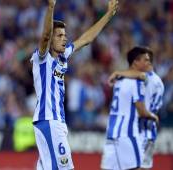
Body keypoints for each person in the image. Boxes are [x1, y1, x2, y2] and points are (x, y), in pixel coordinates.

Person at [31, 0, 118, 169]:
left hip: (55, 122)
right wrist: (51, 7)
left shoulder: (63, 57)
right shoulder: (42, 59)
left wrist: (108, 15)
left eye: (65, 35)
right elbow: (45, 36)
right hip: (49, 120)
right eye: (60, 36)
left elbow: (86, 38)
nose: (64, 39)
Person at [100, 47, 159, 170]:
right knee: (139, 168)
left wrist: (117, 72)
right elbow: (142, 111)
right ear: (136, 62)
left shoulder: (119, 80)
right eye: (145, 60)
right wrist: (153, 116)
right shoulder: (137, 82)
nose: (148, 63)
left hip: (111, 132)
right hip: (127, 133)